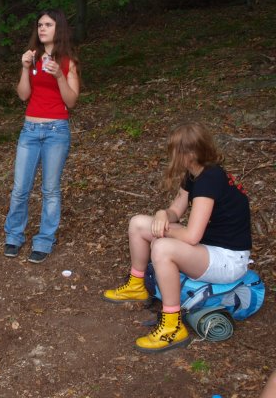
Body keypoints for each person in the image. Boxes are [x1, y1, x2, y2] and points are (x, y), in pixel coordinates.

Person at [103, 122, 252, 353]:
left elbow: (191, 236)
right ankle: (136, 285)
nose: (172, 156)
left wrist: (163, 231)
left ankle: (172, 326)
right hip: (209, 249)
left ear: (190, 153)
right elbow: (176, 210)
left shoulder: (210, 179)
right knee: (138, 224)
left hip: (229, 259)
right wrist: (162, 214)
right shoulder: (195, 174)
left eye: (175, 150)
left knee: (162, 247)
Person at [3, 9, 80, 264]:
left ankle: (44, 240)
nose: (42, 29)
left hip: (56, 131)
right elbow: (23, 95)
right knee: (20, 188)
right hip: (30, 130)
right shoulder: (32, 57)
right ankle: (14, 236)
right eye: (39, 25)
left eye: (48, 24)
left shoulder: (68, 61)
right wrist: (25, 68)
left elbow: (71, 101)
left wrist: (59, 75)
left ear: (59, 28)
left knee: (50, 190)